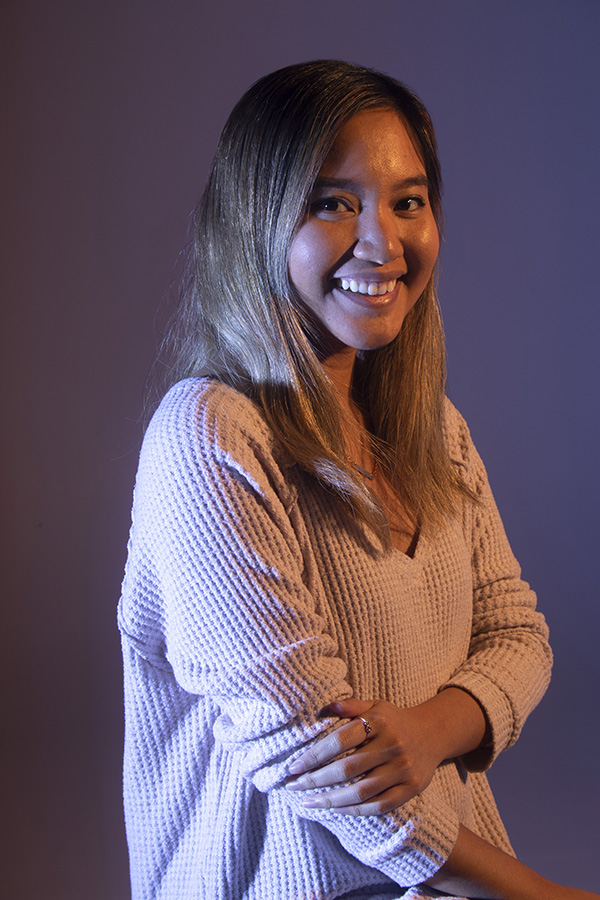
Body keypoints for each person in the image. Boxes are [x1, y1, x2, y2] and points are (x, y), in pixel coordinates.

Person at [118, 60, 597, 900]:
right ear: (257, 222)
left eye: (408, 201)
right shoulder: (207, 435)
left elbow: (520, 636)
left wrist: (425, 731)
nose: (384, 242)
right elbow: (321, 762)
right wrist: (537, 893)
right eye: (333, 203)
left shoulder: (435, 432)